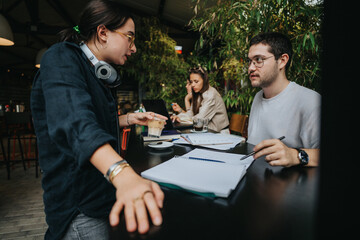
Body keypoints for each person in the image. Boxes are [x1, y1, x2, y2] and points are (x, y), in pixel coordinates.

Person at [30, 1, 166, 239]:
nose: (133, 48)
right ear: (103, 32)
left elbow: (94, 120)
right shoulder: (60, 57)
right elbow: (75, 121)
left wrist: (128, 119)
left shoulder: (97, 74)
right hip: (80, 207)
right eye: (130, 38)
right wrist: (123, 174)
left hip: (98, 198)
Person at [246, 32, 321, 167]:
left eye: (258, 60)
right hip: (255, 177)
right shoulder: (258, 97)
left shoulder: (310, 101)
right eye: (250, 61)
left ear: (282, 61)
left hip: (290, 183)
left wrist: (295, 155)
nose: (250, 68)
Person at [171, 66, 229, 132]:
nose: (192, 85)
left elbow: (200, 119)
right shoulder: (199, 93)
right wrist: (178, 117)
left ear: (204, 81)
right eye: (191, 82)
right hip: (206, 132)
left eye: (196, 81)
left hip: (220, 134)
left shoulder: (211, 95)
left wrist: (181, 119)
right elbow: (191, 113)